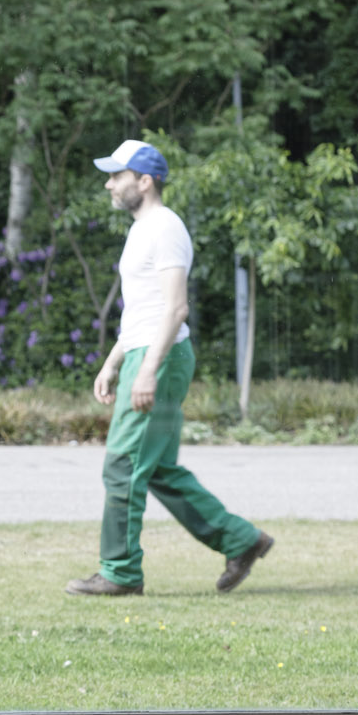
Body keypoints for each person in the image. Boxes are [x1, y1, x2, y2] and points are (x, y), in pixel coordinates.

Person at [66, 140, 274, 597]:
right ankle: (241, 539)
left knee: (122, 466)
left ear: (145, 180)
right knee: (155, 468)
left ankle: (119, 572)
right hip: (144, 353)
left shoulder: (165, 228)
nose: (109, 183)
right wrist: (113, 362)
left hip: (158, 359)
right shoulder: (142, 229)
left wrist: (147, 370)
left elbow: (175, 308)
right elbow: (143, 310)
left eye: (117, 176)